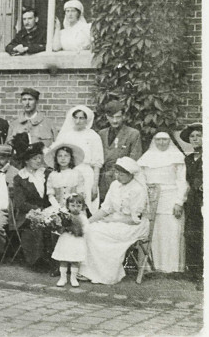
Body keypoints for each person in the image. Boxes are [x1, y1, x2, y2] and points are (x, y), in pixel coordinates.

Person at [80, 157, 149, 284]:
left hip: (133, 225)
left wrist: (111, 220)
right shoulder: (114, 185)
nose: (118, 176)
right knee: (89, 229)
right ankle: (91, 272)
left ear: (131, 174)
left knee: (98, 233)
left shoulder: (138, 189)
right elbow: (106, 209)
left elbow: (135, 219)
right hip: (114, 221)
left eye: (122, 174)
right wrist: (87, 221)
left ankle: (106, 274)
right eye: (116, 173)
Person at [137, 132, 187, 274]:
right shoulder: (146, 158)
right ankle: (151, 267)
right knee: (153, 232)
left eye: (165, 139)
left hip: (171, 198)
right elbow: (141, 180)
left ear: (169, 141)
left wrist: (179, 202)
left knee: (170, 231)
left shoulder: (177, 158)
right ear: (154, 141)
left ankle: (170, 267)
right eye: (158, 140)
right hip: (151, 199)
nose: (161, 143)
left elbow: (181, 181)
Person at [11, 139, 51, 270]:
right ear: (27, 161)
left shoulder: (46, 173)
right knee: (35, 225)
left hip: (48, 210)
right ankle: (36, 261)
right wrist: (38, 210)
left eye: (40, 158)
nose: (39, 161)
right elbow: (20, 203)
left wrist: (48, 210)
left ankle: (54, 261)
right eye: (35, 158)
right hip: (27, 213)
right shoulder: (20, 178)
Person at [56, 105, 104, 214]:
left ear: (87, 119)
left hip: (87, 174)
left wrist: (95, 186)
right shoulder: (66, 135)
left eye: (81, 118)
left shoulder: (93, 136)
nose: (78, 121)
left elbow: (97, 163)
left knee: (86, 204)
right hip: (68, 173)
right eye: (76, 117)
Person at [97, 100, 143, 201]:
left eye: (118, 117)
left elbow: (135, 159)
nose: (115, 121)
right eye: (111, 117)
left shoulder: (133, 134)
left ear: (123, 116)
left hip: (123, 179)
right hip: (104, 180)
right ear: (106, 116)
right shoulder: (102, 133)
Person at [180, 123, 202, 288]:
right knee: (192, 234)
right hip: (192, 203)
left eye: (198, 136)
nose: (195, 139)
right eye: (192, 137)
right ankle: (195, 271)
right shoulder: (188, 159)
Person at [51, 194, 88, 287]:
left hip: (76, 241)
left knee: (75, 260)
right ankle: (63, 278)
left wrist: (77, 230)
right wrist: (61, 227)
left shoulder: (83, 217)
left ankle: (73, 278)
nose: (75, 208)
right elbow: (59, 229)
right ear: (68, 206)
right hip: (66, 240)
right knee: (63, 259)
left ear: (82, 207)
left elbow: (86, 229)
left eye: (78, 206)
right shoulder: (65, 216)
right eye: (73, 206)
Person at [44, 143, 86, 211]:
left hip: (74, 208)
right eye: (60, 156)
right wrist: (58, 208)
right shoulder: (53, 175)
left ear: (71, 158)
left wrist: (72, 207)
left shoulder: (76, 173)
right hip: (57, 207)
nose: (63, 158)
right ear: (56, 158)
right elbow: (50, 195)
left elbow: (80, 193)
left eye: (66, 156)